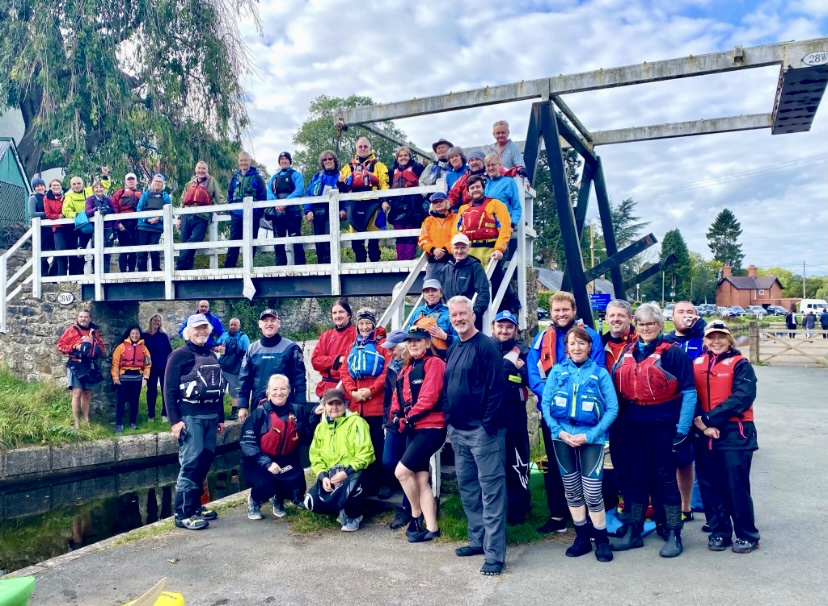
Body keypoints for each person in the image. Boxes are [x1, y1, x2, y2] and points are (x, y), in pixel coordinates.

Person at [610, 303, 696, 558]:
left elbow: (689, 393)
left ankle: (673, 532)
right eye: (641, 324)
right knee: (637, 477)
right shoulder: (628, 350)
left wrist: (682, 430)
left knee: (665, 478)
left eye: (650, 324)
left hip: (664, 425)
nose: (645, 328)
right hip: (633, 425)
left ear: (660, 326)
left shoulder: (673, 353)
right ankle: (634, 530)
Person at [528, 291, 604, 535]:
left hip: (585, 418)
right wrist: (550, 400)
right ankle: (558, 517)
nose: (561, 314)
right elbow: (533, 373)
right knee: (557, 468)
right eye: (556, 310)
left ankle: (591, 521)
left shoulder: (590, 336)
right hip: (554, 416)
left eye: (565, 309)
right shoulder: (541, 339)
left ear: (574, 311)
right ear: (551, 312)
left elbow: (599, 370)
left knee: (587, 471)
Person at [542, 325, 619, 562]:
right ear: (566, 348)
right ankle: (582, 537)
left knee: (593, 492)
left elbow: (612, 408)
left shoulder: (600, 373)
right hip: (562, 437)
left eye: (582, 343)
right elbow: (545, 405)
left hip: (591, 439)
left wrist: (591, 435)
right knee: (573, 490)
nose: (577, 347)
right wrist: (560, 432)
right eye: (572, 343)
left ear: (589, 347)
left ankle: (602, 539)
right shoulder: (556, 371)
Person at [444, 296, 507, 576]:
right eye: (454, 314)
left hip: (482, 432)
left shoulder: (487, 346)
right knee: (469, 490)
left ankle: (495, 554)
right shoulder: (454, 346)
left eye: (463, 313)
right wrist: (448, 420)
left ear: (473, 315)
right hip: (458, 431)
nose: (459, 318)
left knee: (491, 492)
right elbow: (448, 386)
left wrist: (488, 425)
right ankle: (477, 540)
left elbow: (497, 390)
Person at [692, 320, 760, 554]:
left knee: (735, 485)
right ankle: (720, 532)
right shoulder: (696, 363)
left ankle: (746, 534)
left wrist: (710, 420)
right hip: (704, 433)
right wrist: (703, 425)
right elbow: (691, 397)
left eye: (721, 336)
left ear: (729, 339)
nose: (716, 341)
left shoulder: (741, 365)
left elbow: (742, 397)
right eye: (711, 337)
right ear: (705, 340)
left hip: (735, 433)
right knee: (709, 484)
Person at [165, 313, 226, 530]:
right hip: (191, 417)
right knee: (191, 464)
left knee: (205, 461)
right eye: (196, 329)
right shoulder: (178, 356)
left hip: (211, 416)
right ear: (188, 332)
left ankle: (196, 506)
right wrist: (175, 421)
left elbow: (217, 390)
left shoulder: (211, 353)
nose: (201, 332)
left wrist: (221, 417)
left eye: (204, 328)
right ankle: (182, 513)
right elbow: (169, 390)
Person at [389, 328, 447, 543]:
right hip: (412, 429)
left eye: (417, 341)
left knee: (402, 472)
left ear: (426, 342)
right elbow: (397, 397)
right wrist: (396, 415)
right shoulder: (406, 368)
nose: (413, 345)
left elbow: (429, 397)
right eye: (410, 342)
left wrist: (409, 418)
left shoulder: (435, 364)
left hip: (431, 428)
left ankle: (415, 516)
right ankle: (432, 528)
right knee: (421, 478)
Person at [304, 387, 375, 532]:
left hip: (354, 472)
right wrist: (323, 476)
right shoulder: (320, 428)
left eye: (338, 404)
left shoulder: (357, 422)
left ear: (345, 405)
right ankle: (340, 508)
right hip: (331, 475)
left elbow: (366, 453)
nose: (334, 408)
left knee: (353, 486)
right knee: (310, 503)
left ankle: (354, 515)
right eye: (330, 404)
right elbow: (315, 456)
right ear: (324, 407)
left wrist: (346, 473)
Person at [242, 374, 310, 520]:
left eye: (283, 389)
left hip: (285, 459)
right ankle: (254, 500)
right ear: (268, 392)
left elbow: (306, 437)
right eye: (275, 389)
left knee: (297, 483)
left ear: (289, 391)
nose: (279, 392)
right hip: (258, 461)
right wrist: (266, 463)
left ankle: (278, 498)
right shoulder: (259, 413)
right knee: (266, 486)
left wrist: (315, 416)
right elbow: (247, 444)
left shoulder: (297, 411)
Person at [664, 301, 707, 523]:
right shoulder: (665, 342)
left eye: (691, 312)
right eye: (681, 312)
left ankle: (688, 506)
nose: (686, 315)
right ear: (672, 317)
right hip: (672, 407)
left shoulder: (705, 340)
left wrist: (702, 324)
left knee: (697, 459)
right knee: (677, 458)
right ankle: (670, 505)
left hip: (701, 408)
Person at [339, 307, 391, 494]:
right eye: (361, 323)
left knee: (380, 445)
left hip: (376, 404)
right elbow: (344, 372)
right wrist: (352, 392)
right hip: (356, 405)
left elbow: (387, 371)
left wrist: (371, 390)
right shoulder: (351, 346)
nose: (364, 327)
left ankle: (385, 482)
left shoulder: (383, 345)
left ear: (373, 324)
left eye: (368, 323)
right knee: (362, 445)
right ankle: (368, 481)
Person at [490, 310, 532, 525]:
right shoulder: (486, 348)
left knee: (518, 462)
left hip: (515, 414)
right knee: (495, 465)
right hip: (491, 416)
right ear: (493, 327)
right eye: (500, 326)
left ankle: (520, 507)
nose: (504, 330)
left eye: (509, 327)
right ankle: (498, 508)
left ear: (515, 329)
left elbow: (530, 379)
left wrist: (518, 369)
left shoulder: (524, 351)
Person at [237, 309, 307, 424]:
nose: (269, 323)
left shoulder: (291, 348)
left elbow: (300, 379)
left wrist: (300, 404)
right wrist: (243, 405)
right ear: (260, 324)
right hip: (258, 405)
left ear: (278, 324)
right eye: (265, 321)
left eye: (273, 320)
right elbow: (244, 379)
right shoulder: (252, 349)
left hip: (285, 404)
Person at [338, 137, 390, 263]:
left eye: (365, 146)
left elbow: (384, 183)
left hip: (372, 203)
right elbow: (341, 188)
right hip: (354, 204)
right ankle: (359, 265)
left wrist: (385, 200)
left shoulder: (379, 166)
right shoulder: (348, 167)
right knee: (356, 241)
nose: (363, 149)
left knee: (373, 240)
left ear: (370, 148)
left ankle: (375, 265)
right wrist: (339, 182)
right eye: (360, 147)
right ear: (356, 149)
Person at [379, 334, 411, 524]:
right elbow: (386, 397)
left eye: (393, 348)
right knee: (388, 462)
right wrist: (386, 420)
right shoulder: (391, 366)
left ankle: (407, 506)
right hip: (393, 422)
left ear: (404, 347)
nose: (389, 352)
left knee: (410, 466)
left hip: (411, 423)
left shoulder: (413, 365)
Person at [57, 310, 105, 429]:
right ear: (77, 318)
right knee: (77, 393)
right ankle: (76, 422)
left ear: (90, 319)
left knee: (87, 394)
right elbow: (60, 346)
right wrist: (74, 346)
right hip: (75, 365)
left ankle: (86, 421)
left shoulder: (94, 332)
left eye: (85, 317)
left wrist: (94, 346)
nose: (83, 319)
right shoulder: (71, 330)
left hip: (89, 365)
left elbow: (101, 348)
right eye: (81, 317)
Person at [176, 161, 226, 271]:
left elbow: (220, 198)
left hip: (201, 217)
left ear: (207, 170)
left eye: (203, 168)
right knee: (184, 243)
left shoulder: (212, 182)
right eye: (199, 168)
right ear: (195, 170)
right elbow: (182, 201)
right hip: (186, 216)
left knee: (194, 240)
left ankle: (179, 266)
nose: (201, 171)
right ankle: (186, 270)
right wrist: (179, 217)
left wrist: (225, 210)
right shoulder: (189, 184)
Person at [453, 175, 512, 268]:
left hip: (491, 249)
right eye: (472, 188)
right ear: (468, 192)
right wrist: (454, 250)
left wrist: (499, 249)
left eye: (478, 187)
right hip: (470, 251)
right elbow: (455, 232)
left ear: (483, 188)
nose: (475, 190)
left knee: (496, 279)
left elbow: (505, 228)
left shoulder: (496, 204)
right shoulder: (463, 209)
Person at [225, 151, 267, 269]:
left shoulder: (257, 178)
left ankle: (248, 267)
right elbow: (230, 194)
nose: (243, 163)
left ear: (250, 161)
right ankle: (229, 268)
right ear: (238, 162)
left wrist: (258, 212)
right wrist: (232, 210)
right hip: (237, 215)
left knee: (251, 242)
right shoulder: (234, 178)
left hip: (253, 215)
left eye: (246, 160)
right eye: (241, 160)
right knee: (234, 241)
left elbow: (263, 196)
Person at [384, 146, 425, 261]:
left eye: (405, 155)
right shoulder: (392, 171)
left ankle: (409, 259)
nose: (403, 158)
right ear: (397, 158)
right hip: (397, 208)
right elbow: (386, 187)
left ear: (409, 157)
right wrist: (386, 201)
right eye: (400, 156)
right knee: (400, 235)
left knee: (411, 235)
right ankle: (401, 260)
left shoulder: (417, 168)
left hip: (413, 207)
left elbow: (424, 181)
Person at [310, 298, 357, 400]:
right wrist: (336, 359)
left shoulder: (356, 335)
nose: (338, 315)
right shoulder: (326, 336)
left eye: (341, 312)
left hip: (348, 390)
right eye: (334, 313)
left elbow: (352, 363)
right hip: (326, 389)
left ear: (348, 314)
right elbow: (315, 361)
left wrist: (328, 363)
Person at [442, 234, 490, 330]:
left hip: (468, 319)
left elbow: (483, 292)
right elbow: (441, 294)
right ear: (451, 249)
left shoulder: (475, 267)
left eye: (463, 247)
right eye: (456, 248)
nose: (459, 251)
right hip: (450, 317)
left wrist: (476, 313)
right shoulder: (446, 268)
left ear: (469, 247)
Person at [304, 150, 345, 264]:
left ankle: (331, 265)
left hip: (331, 211)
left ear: (335, 161)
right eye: (325, 159)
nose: (327, 161)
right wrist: (308, 210)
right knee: (319, 241)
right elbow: (309, 193)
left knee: (330, 240)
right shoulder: (317, 176)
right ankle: (321, 265)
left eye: (330, 159)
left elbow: (344, 194)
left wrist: (343, 209)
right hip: (317, 212)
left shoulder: (340, 176)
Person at [267, 151, 306, 266]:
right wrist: (277, 204)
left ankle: (300, 265)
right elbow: (269, 193)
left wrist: (286, 202)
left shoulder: (296, 175)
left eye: (286, 159)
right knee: (278, 241)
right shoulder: (274, 177)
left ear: (290, 161)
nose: (284, 161)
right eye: (282, 159)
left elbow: (299, 190)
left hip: (292, 212)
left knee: (296, 239)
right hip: (278, 213)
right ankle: (280, 266)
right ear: (279, 162)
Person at [110, 326, 152, 433]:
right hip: (123, 379)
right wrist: (115, 378)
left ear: (140, 335)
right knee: (121, 402)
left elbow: (147, 364)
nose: (135, 335)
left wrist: (145, 378)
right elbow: (115, 364)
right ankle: (119, 424)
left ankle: (132, 423)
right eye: (133, 333)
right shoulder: (121, 347)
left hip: (137, 379)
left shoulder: (143, 348)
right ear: (129, 334)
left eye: (137, 333)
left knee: (134, 402)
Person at [404, 279, 457, 358]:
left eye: (434, 290)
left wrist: (446, 337)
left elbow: (462, 339)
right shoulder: (418, 312)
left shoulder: (449, 313)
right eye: (427, 291)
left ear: (441, 293)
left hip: (441, 357)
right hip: (419, 357)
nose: (430, 294)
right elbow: (407, 333)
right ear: (423, 295)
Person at [215, 317, 250, 420]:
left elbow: (247, 353)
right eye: (231, 325)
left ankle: (234, 412)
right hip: (222, 366)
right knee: (219, 390)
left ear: (239, 326)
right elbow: (215, 347)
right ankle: (219, 411)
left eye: (235, 325)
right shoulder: (224, 335)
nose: (233, 326)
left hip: (235, 368)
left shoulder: (244, 337)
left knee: (234, 391)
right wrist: (218, 348)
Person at [136, 174, 172, 272]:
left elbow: (169, 212)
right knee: (142, 251)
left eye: (159, 182)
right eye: (155, 181)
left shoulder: (165, 196)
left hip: (156, 227)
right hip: (143, 226)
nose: (157, 183)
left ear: (163, 184)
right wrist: (147, 219)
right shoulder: (145, 194)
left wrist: (159, 219)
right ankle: (141, 272)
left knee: (154, 250)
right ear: (152, 183)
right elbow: (139, 209)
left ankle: (156, 270)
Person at [142, 314, 173, 422]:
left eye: (159, 321)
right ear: (151, 321)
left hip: (164, 366)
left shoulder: (163, 336)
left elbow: (170, 351)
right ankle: (151, 415)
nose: (157, 322)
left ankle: (165, 414)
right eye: (155, 320)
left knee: (165, 390)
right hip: (150, 367)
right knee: (151, 391)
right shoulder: (144, 335)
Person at [419, 192, 455, 283]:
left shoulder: (456, 218)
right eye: (435, 202)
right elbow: (423, 239)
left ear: (446, 202)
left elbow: (457, 236)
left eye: (441, 201)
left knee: (450, 288)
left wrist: (445, 250)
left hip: (452, 259)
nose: (438, 203)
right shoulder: (428, 221)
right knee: (431, 286)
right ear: (432, 205)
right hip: (433, 260)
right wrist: (433, 250)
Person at [112, 173, 142, 272]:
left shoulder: (141, 194)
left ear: (136, 181)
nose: (131, 181)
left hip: (136, 223)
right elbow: (114, 208)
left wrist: (140, 223)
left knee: (134, 250)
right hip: (123, 223)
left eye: (133, 179)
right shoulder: (119, 193)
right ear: (125, 181)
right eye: (129, 179)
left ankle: (132, 271)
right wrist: (118, 223)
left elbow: (143, 209)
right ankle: (123, 272)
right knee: (124, 248)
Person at [84, 180, 116, 272]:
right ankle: (97, 273)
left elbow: (115, 213)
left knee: (107, 253)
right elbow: (88, 212)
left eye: (101, 187)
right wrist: (96, 209)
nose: (99, 189)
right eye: (96, 187)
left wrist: (115, 229)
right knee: (97, 252)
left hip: (108, 229)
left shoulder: (108, 200)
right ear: (93, 189)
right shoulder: (90, 200)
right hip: (97, 229)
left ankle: (106, 274)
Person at [61, 176, 89, 275]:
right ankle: (75, 275)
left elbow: (103, 186)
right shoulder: (68, 196)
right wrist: (78, 215)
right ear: (71, 185)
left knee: (84, 250)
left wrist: (105, 175)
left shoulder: (89, 191)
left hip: (87, 226)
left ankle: (84, 273)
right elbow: (66, 211)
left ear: (83, 184)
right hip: (74, 227)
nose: (76, 186)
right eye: (74, 184)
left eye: (78, 183)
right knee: (74, 251)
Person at [28, 177, 56, 276]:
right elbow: (32, 213)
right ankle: (43, 274)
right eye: (37, 186)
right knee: (42, 252)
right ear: (34, 188)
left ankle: (53, 273)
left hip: (52, 228)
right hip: (41, 230)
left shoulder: (49, 196)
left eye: (41, 185)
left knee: (57, 251)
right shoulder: (33, 198)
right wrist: (47, 214)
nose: (40, 188)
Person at [44, 178, 71, 276]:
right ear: (50, 187)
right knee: (61, 252)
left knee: (73, 252)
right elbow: (48, 214)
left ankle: (73, 277)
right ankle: (61, 277)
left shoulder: (68, 195)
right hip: (57, 227)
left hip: (70, 227)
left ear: (61, 186)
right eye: (53, 185)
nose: (56, 187)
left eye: (57, 185)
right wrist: (59, 216)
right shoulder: (47, 198)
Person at [602, 299, 637, 370]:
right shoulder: (600, 343)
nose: (616, 319)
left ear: (631, 318)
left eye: (621, 315)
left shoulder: (640, 341)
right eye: (612, 315)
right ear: (606, 319)